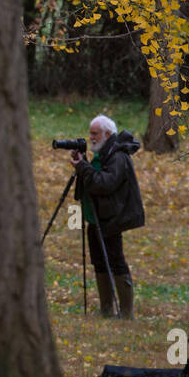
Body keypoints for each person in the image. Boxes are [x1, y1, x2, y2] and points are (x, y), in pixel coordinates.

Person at [69, 115, 146, 319]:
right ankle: (106, 310)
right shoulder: (104, 153)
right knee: (99, 262)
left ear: (108, 134)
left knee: (115, 261)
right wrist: (83, 164)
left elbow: (104, 184)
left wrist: (82, 167)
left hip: (112, 218)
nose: (91, 137)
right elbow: (94, 181)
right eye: (90, 133)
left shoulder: (118, 156)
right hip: (97, 217)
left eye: (95, 133)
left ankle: (127, 313)